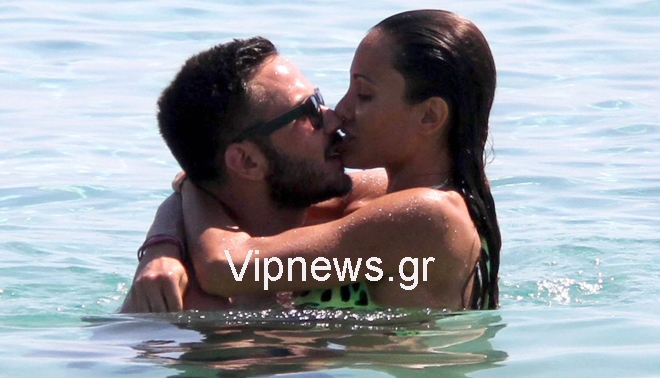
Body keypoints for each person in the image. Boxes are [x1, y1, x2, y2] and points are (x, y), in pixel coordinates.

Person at [124, 9, 501, 313]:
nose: (339, 112)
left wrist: (189, 193)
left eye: (364, 94)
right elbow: (220, 192)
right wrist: (162, 244)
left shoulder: (428, 216)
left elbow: (227, 268)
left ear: (430, 116)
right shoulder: (387, 194)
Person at [119, 36, 366, 312]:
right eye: (308, 111)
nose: (333, 118)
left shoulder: (354, 209)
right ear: (247, 161)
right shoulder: (192, 307)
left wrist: (163, 238)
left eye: (319, 100)